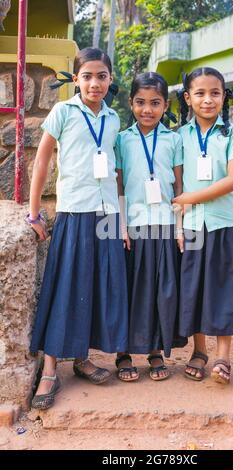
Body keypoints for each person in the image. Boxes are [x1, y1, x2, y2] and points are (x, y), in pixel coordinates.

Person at [28, 47, 128, 409]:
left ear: (110, 79)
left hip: (105, 215)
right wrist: (34, 211)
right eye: (87, 76)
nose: (94, 83)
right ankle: (51, 370)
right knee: (67, 287)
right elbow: (41, 160)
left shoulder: (115, 118)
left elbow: (115, 171)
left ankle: (82, 359)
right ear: (76, 79)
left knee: (97, 287)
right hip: (74, 211)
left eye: (101, 76)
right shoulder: (63, 112)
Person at [173, 67, 233, 384]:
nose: (208, 100)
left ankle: (223, 357)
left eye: (215, 93)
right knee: (195, 288)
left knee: (225, 287)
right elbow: (176, 188)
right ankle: (199, 351)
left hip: (225, 223)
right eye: (200, 93)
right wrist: (179, 221)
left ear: (224, 96)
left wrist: (191, 197)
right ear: (188, 98)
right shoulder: (178, 137)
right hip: (191, 226)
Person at [115, 72, 184, 382]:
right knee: (131, 288)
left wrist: (180, 226)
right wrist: (122, 224)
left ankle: (155, 349)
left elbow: (179, 185)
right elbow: (118, 185)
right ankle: (124, 352)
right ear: (131, 103)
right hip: (135, 226)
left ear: (165, 105)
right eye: (140, 102)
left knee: (160, 290)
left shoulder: (174, 139)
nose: (147, 110)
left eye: (155, 103)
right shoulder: (121, 139)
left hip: (165, 225)